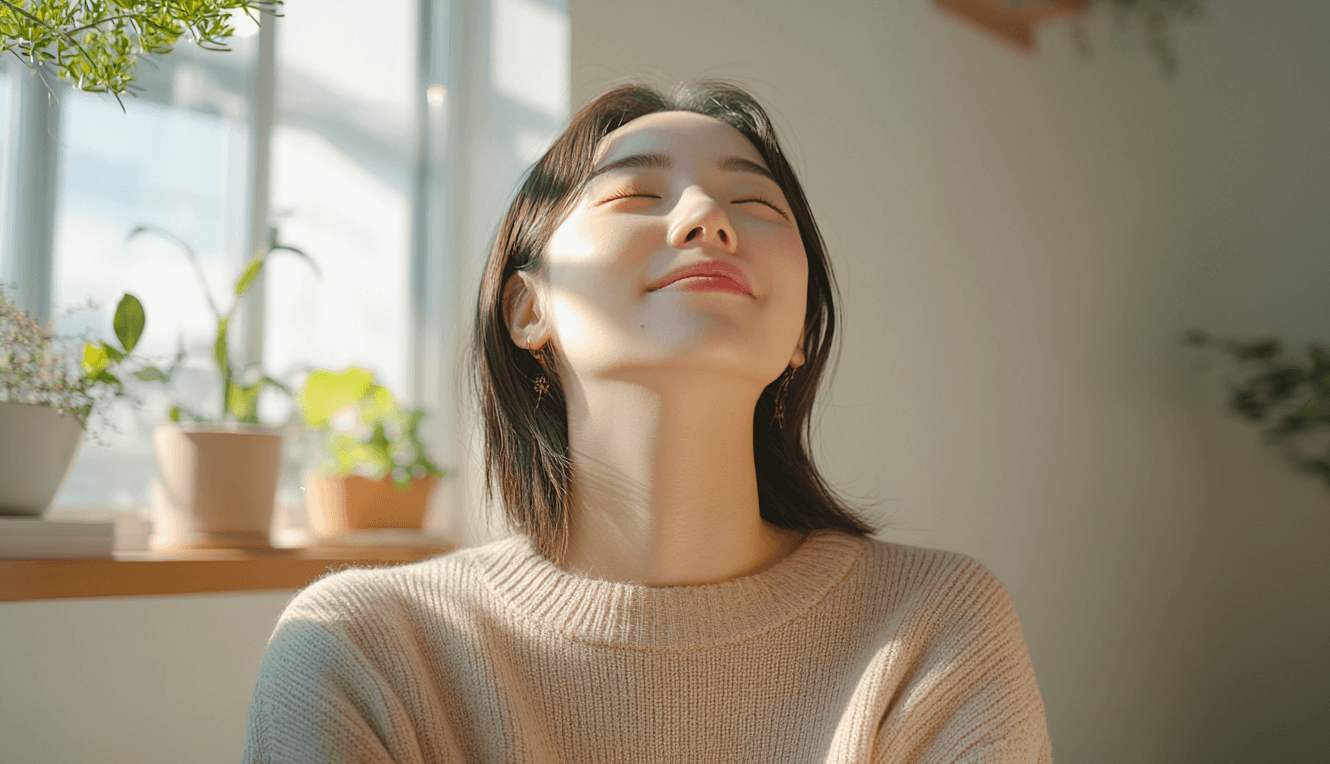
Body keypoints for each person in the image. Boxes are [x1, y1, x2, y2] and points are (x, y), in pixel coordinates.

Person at [241, 82, 1052, 763]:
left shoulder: (936, 629)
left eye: (756, 202)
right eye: (635, 194)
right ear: (529, 308)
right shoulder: (363, 653)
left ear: (803, 328)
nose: (707, 218)